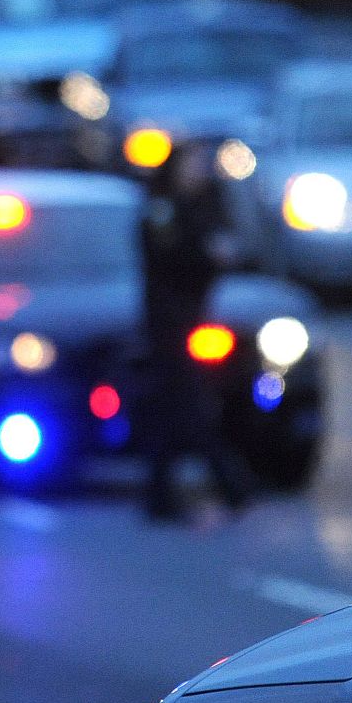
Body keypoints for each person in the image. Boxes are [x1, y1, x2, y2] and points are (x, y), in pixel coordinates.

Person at [136, 140, 258, 524]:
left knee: (178, 410)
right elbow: (169, 261)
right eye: (191, 165)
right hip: (169, 323)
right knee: (188, 406)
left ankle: (161, 494)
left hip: (195, 319)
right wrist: (207, 255)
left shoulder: (204, 206)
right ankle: (229, 485)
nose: (198, 172)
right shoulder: (162, 210)